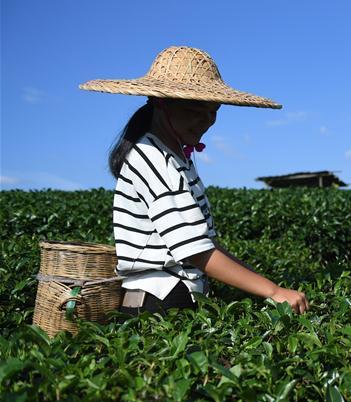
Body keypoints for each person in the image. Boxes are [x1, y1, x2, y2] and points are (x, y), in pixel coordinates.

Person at [80, 46, 308, 315]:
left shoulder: (175, 157)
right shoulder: (154, 158)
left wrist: (271, 287)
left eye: (214, 111)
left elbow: (204, 243)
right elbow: (195, 251)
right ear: (161, 103)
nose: (207, 121)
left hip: (175, 296)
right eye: (197, 110)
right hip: (161, 301)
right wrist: (273, 292)